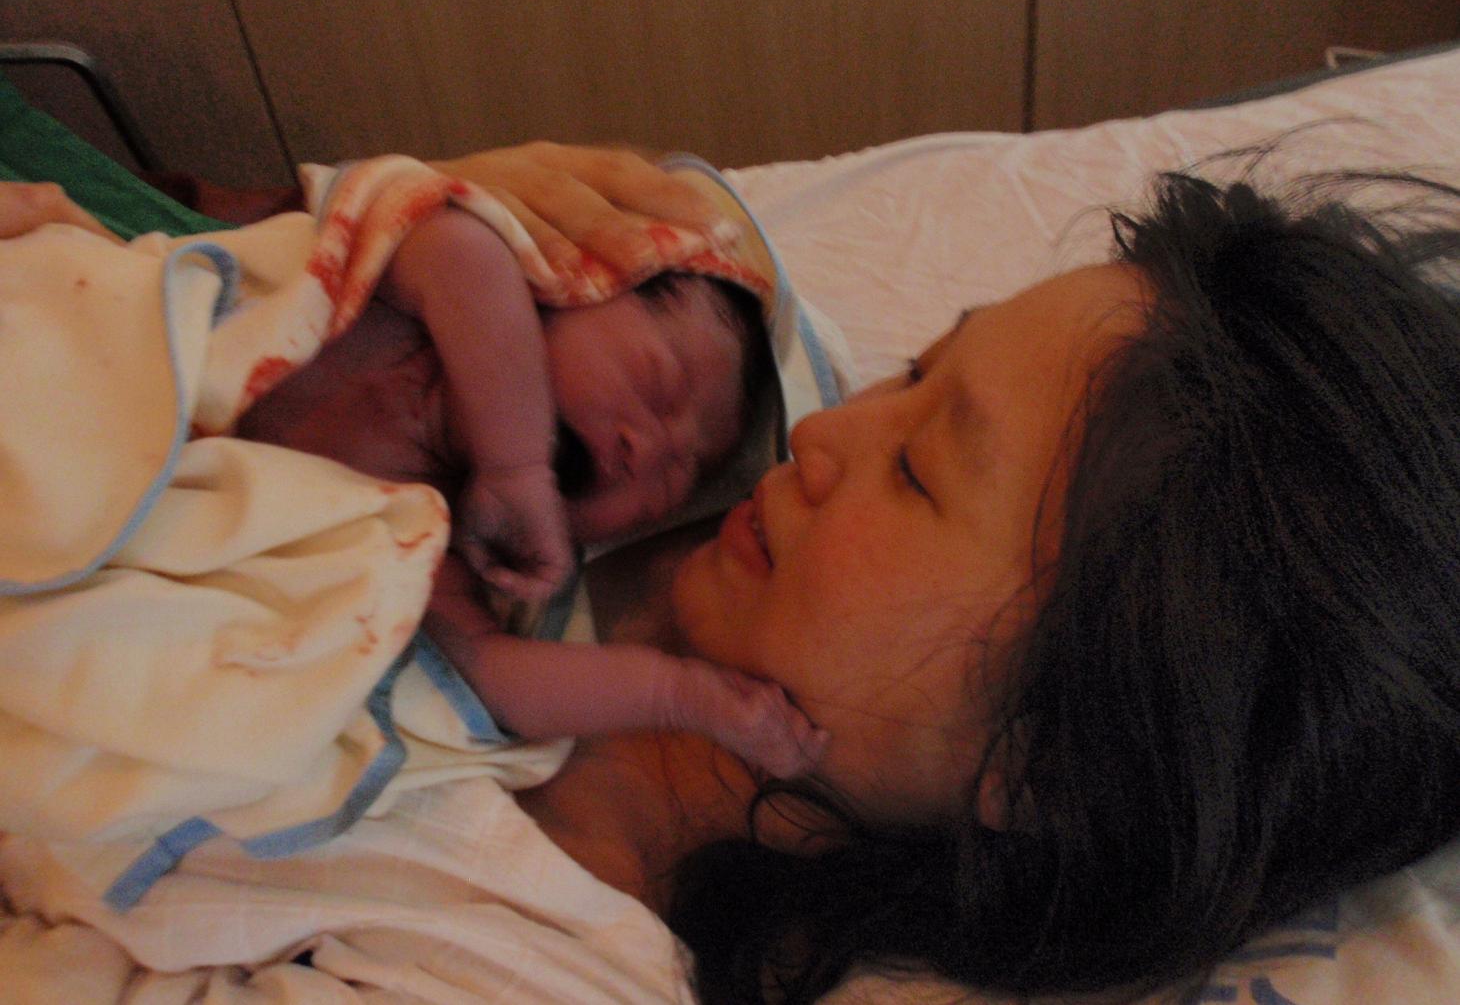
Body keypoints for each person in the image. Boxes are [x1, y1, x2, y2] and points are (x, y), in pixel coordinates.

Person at [4, 143, 1460, 1005]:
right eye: (910, 372)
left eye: (919, 468)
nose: (828, 434)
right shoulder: (707, 420)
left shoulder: (494, 957)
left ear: (1053, 761)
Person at [238, 201, 826, 778]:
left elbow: (493, 678)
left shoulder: (423, 540)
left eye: (670, 479)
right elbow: (457, 244)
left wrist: (678, 695)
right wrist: (514, 463)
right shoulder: (433, 297)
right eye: (655, 381)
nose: (644, 450)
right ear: (570, 288)